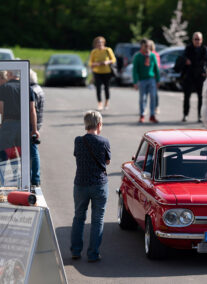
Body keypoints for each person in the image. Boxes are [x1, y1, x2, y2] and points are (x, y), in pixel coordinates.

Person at [71, 110, 110, 262]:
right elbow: (107, 161)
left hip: (80, 183)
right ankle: (93, 253)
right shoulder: (104, 142)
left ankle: (75, 251)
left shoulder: (78, 141)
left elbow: (77, 155)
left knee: (79, 217)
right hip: (99, 184)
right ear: (99, 124)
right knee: (97, 219)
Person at [181, 32, 207, 122]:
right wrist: (186, 60)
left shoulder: (204, 49)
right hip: (189, 75)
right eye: (195, 39)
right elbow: (183, 57)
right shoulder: (188, 48)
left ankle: (200, 116)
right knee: (187, 96)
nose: (197, 41)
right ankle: (185, 114)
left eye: (198, 39)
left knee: (201, 97)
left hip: (200, 75)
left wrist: (205, 72)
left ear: (201, 40)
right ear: (192, 40)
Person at [133, 38, 160, 123]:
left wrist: (158, 80)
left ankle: (152, 115)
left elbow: (156, 68)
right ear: (142, 46)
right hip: (142, 80)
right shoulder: (137, 56)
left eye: (149, 46)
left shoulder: (152, 55)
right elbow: (135, 70)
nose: (147, 48)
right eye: (146, 46)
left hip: (151, 79)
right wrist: (135, 82)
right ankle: (142, 114)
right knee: (143, 98)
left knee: (153, 97)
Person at [88, 36, 116, 111]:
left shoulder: (108, 50)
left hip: (107, 72)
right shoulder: (94, 52)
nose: (99, 44)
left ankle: (106, 103)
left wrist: (107, 62)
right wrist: (96, 64)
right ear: (95, 44)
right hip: (97, 72)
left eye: (101, 42)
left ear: (103, 43)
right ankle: (100, 103)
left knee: (107, 88)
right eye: (98, 43)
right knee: (98, 89)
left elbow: (113, 59)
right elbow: (90, 62)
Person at [29, 69, 45, 187]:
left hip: (32, 124)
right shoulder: (39, 88)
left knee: (33, 151)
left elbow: (32, 110)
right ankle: (35, 177)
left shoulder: (32, 90)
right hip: (38, 122)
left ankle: (35, 178)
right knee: (33, 151)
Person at [148, 40, 161, 115]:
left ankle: (156, 107)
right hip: (147, 76)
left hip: (154, 76)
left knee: (154, 93)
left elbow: (157, 66)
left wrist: (157, 76)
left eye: (149, 45)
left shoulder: (155, 54)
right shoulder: (145, 54)